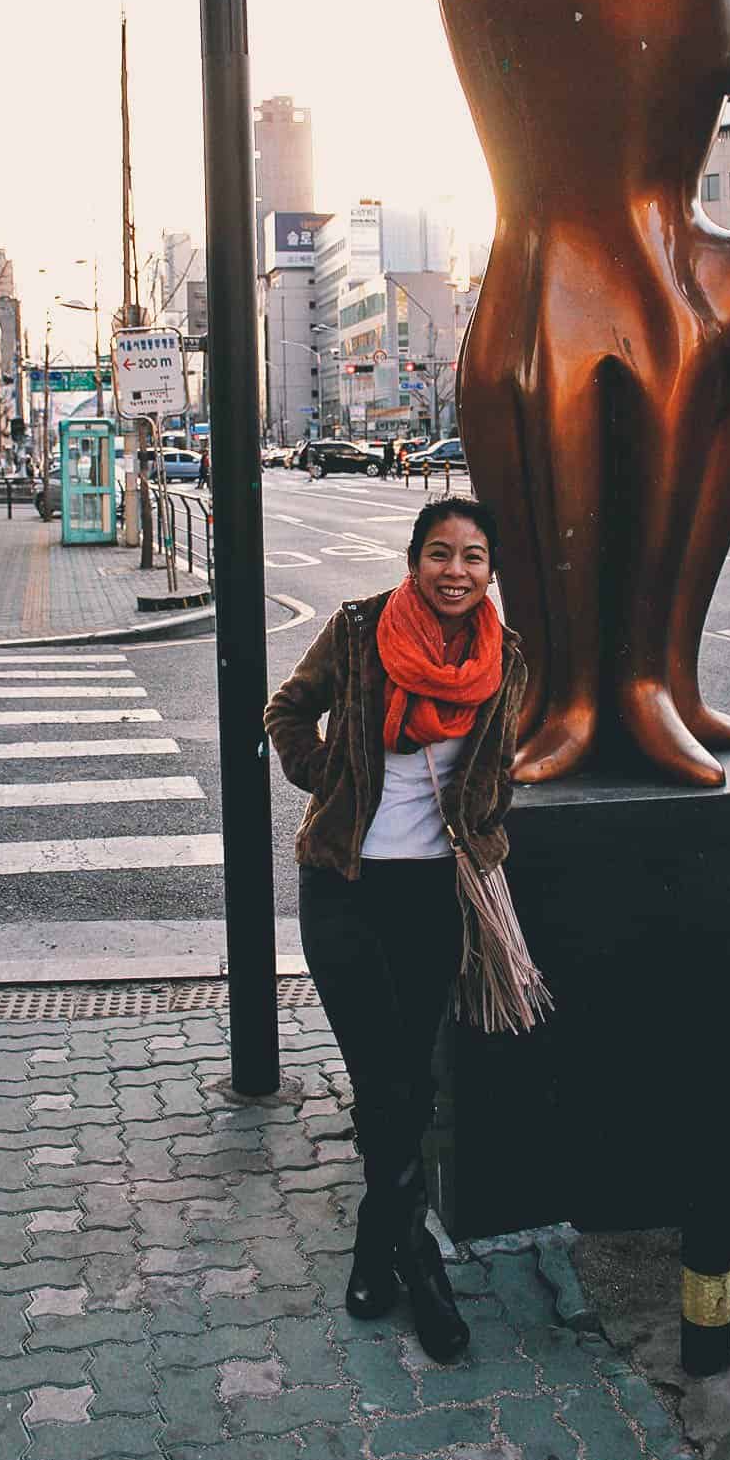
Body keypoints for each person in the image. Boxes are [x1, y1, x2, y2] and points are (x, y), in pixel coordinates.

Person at [265, 497, 533, 1363]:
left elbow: (500, 767)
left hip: (431, 893)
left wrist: (485, 823)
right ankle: (420, 1265)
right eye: (441, 554)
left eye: (475, 558)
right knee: (382, 1078)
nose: (457, 571)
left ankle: (377, 1244)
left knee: (408, 1080)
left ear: (491, 572)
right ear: (414, 560)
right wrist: (327, 774)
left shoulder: (504, 659)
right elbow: (287, 711)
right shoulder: (358, 631)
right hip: (343, 884)